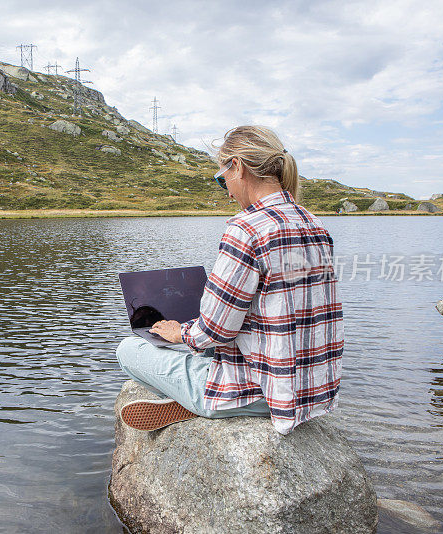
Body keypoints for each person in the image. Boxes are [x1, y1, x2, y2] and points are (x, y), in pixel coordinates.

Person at [116, 125, 343, 435]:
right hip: (313, 391)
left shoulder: (247, 229)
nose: (228, 191)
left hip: (266, 394)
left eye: (222, 180)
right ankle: (193, 398)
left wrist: (179, 332)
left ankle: (204, 402)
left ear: (236, 166)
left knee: (128, 350)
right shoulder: (315, 224)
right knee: (200, 344)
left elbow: (214, 332)